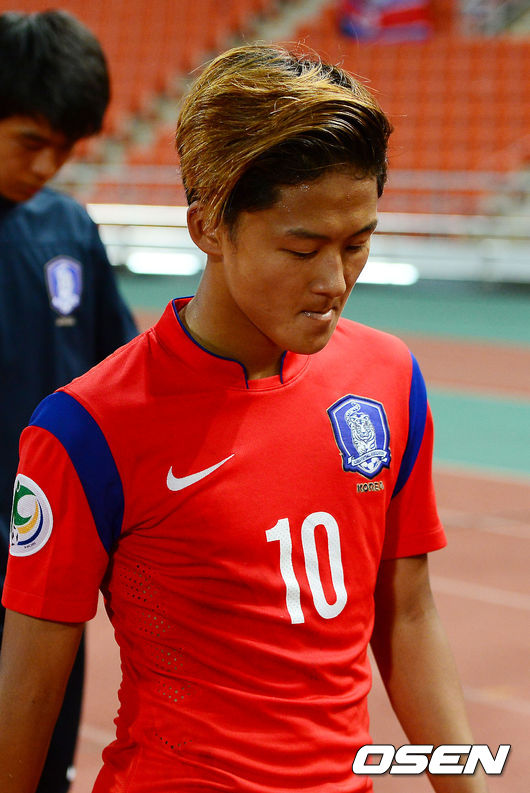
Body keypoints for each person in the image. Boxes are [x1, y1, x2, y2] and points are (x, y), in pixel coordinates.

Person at [0, 43, 487, 793]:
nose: (335, 281)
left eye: (358, 244)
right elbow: (31, 686)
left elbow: (409, 615)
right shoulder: (86, 427)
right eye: (302, 248)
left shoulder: (388, 377)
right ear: (208, 227)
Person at [0, 9, 137, 793]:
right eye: (30, 141)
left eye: (67, 148)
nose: (49, 165)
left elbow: (122, 373)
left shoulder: (68, 230)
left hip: (48, 570)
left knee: (41, 769)